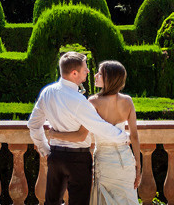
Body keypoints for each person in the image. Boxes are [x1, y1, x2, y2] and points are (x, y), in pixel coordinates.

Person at [27, 52, 130, 205]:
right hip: (78, 160)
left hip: (55, 157)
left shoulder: (47, 92)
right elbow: (99, 126)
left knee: (51, 202)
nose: (88, 71)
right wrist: (123, 136)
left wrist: (45, 149)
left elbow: (33, 125)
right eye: (85, 68)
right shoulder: (79, 100)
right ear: (74, 73)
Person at [48, 60, 141, 205]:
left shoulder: (93, 102)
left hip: (105, 162)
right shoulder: (128, 101)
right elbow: (134, 136)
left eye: (100, 74)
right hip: (126, 160)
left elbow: (80, 136)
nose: (95, 75)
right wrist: (138, 165)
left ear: (110, 79)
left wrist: (54, 134)